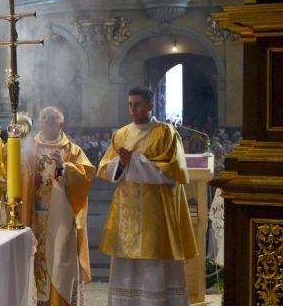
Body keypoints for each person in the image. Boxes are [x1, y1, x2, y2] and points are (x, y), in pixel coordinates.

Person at [98, 87, 197, 306]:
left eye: (138, 104)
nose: (133, 109)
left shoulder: (165, 133)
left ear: (150, 105)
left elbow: (172, 173)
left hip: (156, 214)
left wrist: (133, 162)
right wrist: (121, 165)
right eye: (130, 104)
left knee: (155, 264)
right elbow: (105, 168)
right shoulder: (121, 134)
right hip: (127, 214)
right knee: (126, 266)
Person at [20, 106, 95, 305]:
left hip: (62, 220)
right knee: (36, 265)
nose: (47, 122)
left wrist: (64, 166)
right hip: (34, 217)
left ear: (61, 125)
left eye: (52, 119)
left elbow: (86, 178)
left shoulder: (72, 150)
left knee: (60, 264)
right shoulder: (29, 147)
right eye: (44, 118)